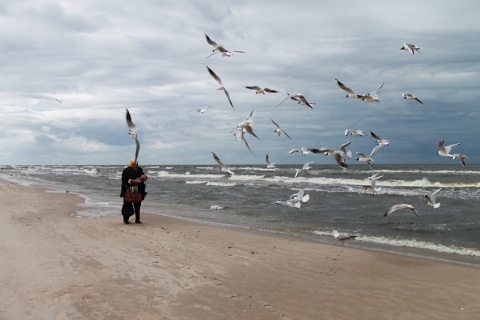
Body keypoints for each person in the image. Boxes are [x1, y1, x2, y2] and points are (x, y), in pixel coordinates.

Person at [120, 159, 148, 224]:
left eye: (137, 163)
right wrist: (132, 181)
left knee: (137, 205)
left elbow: (143, 178)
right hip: (128, 190)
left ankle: (137, 219)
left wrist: (144, 177)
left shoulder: (139, 169)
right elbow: (124, 180)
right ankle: (126, 220)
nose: (136, 165)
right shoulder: (126, 170)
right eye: (134, 163)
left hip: (138, 190)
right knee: (127, 205)